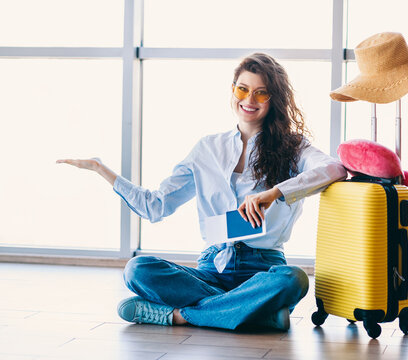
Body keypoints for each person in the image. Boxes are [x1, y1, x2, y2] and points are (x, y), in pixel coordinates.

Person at [57, 53, 347, 331]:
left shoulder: (293, 147)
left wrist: (272, 193)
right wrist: (100, 169)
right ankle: (255, 315)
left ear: (274, 99)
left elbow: (334, 169)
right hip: (211, 269)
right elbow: (155, 206)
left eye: (261, 93)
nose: (249, 99)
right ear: (232, 90)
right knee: (137, 269)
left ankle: (180, 316)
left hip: (263, 269)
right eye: (242, 89)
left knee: (292, 280)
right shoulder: (207, 148)